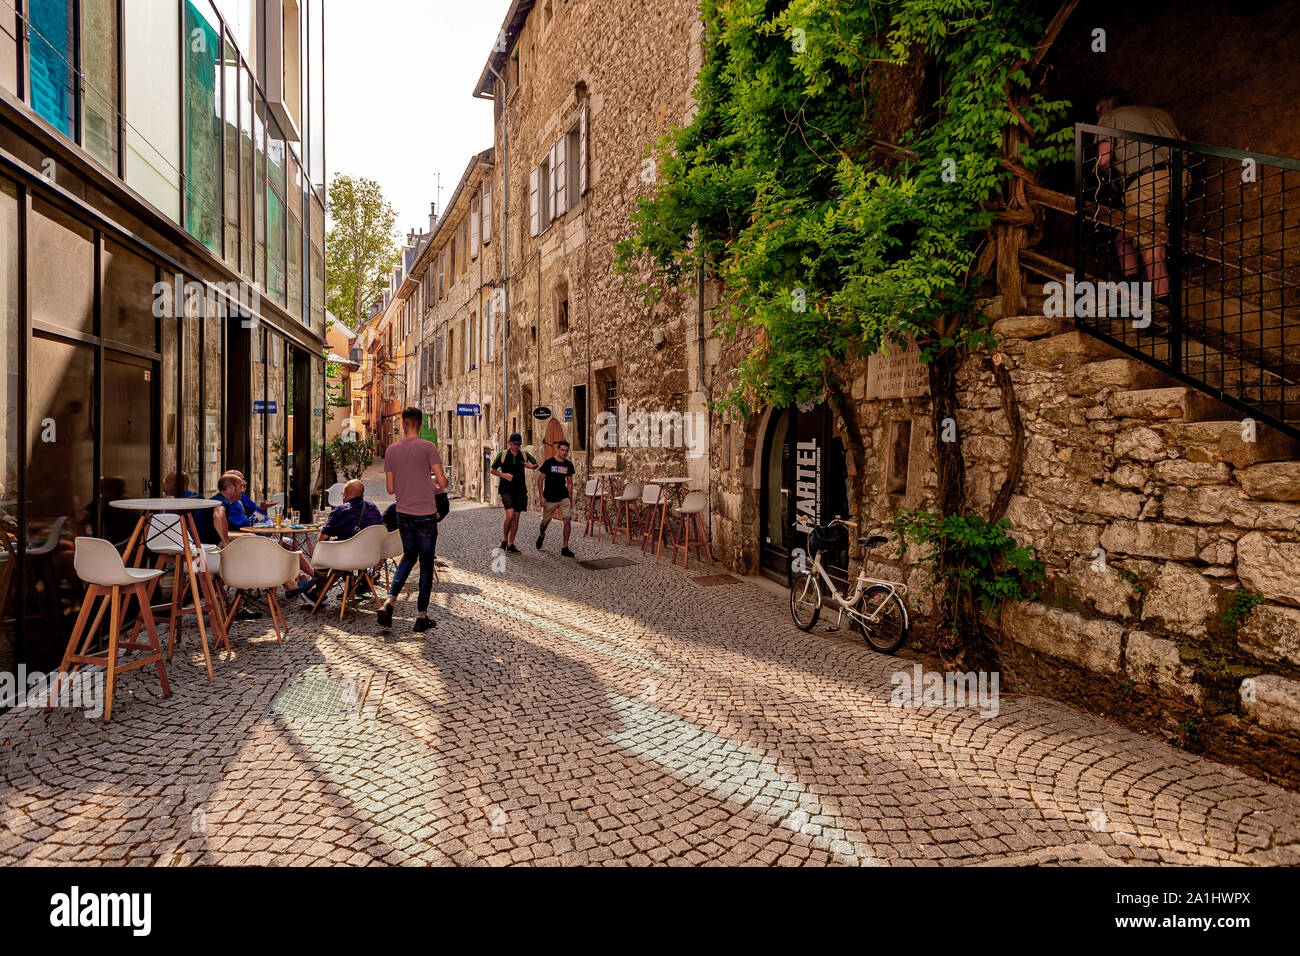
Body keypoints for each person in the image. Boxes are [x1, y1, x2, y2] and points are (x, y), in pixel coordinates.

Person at [1094, 88, 1188, 303]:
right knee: (1123, 237)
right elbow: (1186, 147)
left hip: (1147, 182)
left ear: (1110, 106)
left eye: (1101, 108)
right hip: (1180, 179)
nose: (1099, 114)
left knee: (1151, 245)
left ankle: (1162, 314)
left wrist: (1108, 178)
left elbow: (1105, 158)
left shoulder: (1110, 118)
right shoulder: (1161, 115)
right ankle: (1133, 291)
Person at [376, 407, 447, 633]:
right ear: (420, 425)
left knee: (408, 556)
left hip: (403, 512)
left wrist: (408, 485)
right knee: (426, 563)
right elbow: (443, 482)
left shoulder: (391, 450)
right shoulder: (428, 447)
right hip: (425, 513)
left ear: (402, 424)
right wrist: (431, 486)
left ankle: (390, 601)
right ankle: (421, 616)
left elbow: (389, 489)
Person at [295, 479, 384, 605]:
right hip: (369, 558)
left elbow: (322, 539)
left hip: (346, 559)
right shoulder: (373, 509)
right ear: (362, 495)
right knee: (341, 551)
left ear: (345, 494)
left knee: (325, 552)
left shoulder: (340, 511)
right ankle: (328, 591)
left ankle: (319, 590)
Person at [490, 433, 537, 554]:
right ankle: (504, 540)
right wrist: (503, 475)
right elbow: (492, 469)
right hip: (506, 489)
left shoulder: (524, 454)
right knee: (510, 515)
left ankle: (511, 544)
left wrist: (531, 466)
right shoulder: (503, 455)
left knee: (516, 517)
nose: (517, 446)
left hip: (520, 489)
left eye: (518, 444)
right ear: (509, 443)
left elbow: (535, 464)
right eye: (514, 443)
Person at [535, 440, 576, 557]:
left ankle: (565, 547)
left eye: (566, 451)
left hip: (563, 497)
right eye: (562, 450)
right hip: (549, 498)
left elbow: (569, 483)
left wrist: (570, 499)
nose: (564, 452)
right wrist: (542, 497)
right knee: (545, 523)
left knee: (567, 520)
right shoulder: (549, 463)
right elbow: (540, 480)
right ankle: (541, 535)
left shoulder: (568, 465)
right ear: (558, 450)